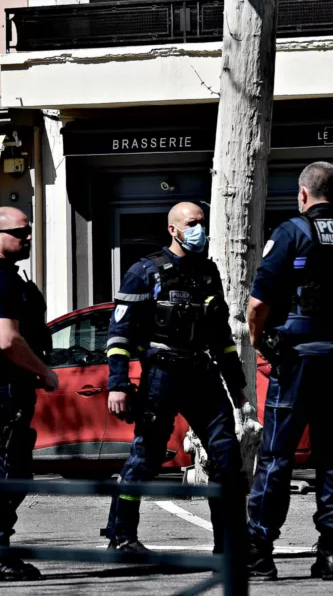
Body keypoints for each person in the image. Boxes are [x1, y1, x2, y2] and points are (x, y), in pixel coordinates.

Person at [246, 162, 333, 581]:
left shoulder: (291, 232)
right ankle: (330, 553)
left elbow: (257, 306)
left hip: (298, 360)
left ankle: (259, 551)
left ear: (304, 195)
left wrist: (258, 341)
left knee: (276, 457)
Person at [104, 202, 247, 554]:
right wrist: (118, 384)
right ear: (173, 229)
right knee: (146, 458)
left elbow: (222, 340)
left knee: (227, 456)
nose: (199, 229)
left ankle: (228, 544)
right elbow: (119, 333)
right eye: (191, 223)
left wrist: (239, 391)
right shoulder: (145, 272)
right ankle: (121, 537)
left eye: (201, 222)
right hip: (161, 375)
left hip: (202, 373)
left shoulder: (209, 274)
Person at [0, 207, 58, 583]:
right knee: (5, 472)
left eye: (29, 230)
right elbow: (7, 339)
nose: (28, 237)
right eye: (20, 232)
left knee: (13, 472)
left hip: (0, 386)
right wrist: (45, 370)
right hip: (4, 387)